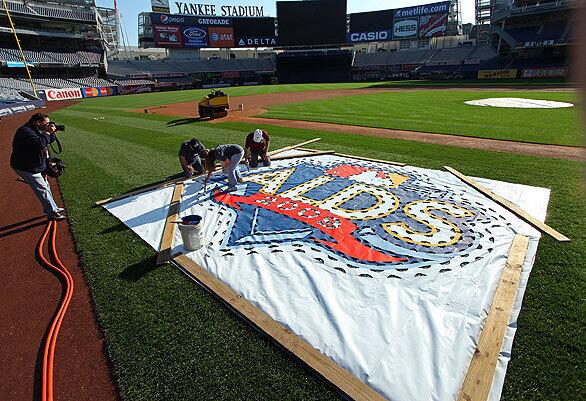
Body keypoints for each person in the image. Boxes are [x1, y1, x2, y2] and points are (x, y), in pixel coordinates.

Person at [10, 113, 65, 220]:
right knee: (42, 188)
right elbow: (39, 143)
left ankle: (53, 207)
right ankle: (52, 212)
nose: (47, 125)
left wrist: (52, 133)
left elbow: (48, 140)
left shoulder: (37, 128)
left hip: (37, 163)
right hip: (26, 166)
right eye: (46, 123)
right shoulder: (25, 131)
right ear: (38, 122)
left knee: (46, 186)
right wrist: (47, 132)